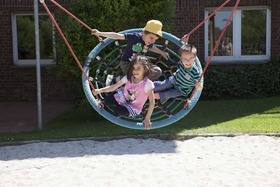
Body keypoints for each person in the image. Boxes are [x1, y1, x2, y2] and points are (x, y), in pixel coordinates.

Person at [91, 20, 169, 82]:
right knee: (136, 76)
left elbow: (151, 47)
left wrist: (161, 52)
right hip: (127, 64)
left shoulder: (148, 42)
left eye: (155, 39)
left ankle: (140, 82)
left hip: (141, 66)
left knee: (157, 71)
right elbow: (117, 35)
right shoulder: (135, 37)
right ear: (144, 33)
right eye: (151, 38)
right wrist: (100, 33)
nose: (152, 41)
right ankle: (116, 80)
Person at [92, 55, 155, 130]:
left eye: (138, 69)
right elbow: (114, 87)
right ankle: (103, 102)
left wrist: (147, 119)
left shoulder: (148, 84)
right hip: (122, 97)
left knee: (117, 111)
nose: (135, 71)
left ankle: (116, 109)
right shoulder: (128, 78)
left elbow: (152, 102)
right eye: (133, 68)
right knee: (107, 100)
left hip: (133, 107)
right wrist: (100, 90)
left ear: (145, 69)